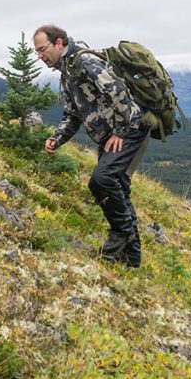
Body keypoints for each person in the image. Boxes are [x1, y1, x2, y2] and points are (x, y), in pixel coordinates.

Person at [33, 25, 148, 267]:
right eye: (37, 52)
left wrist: (121, 131)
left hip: (130, 128)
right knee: (119, 190)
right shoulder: (67, 73)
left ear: (59, 43)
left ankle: (117, 242)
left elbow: (119, 91)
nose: (40, 56)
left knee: (101, 180)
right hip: (111, 135)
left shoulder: (84, 62)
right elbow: (72, 114)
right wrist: (57, 138)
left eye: (43, 50)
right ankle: (131, 260)